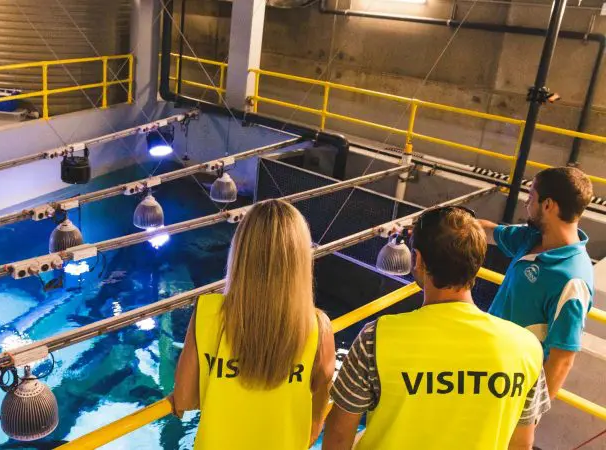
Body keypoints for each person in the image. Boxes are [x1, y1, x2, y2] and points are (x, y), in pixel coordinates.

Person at [323, 206, 550, 450]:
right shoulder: (527, 348)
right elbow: (521, 444)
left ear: (418, 260)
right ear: (477, 262)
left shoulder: (377, 338)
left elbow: (338, 435)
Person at [171, 199, 335, 449]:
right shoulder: (317, 327)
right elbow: (316, 420)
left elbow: (184, 400)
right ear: (300, 260)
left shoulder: (207, 311)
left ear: (240, 253)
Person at [479, 167, 594, 399]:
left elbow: (562, 360)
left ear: (548, 205)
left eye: (530, 197)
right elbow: (488, 231)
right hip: (485, 365)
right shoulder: (532, 237)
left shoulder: (572, 279)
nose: (526, 204)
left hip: (507, 388)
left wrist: (528, 417)